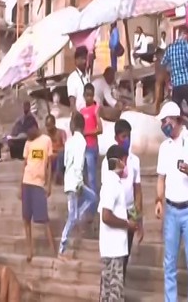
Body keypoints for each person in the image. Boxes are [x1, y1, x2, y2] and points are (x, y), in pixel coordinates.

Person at [155, 101, 188, 301]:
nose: (164, 125)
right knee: (169, 262)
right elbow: (161, 177)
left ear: (176, 120)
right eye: (162, 122)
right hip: (171, 209)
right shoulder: (164, 147)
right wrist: (159, 201)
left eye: (166, 121)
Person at [101, 119, 143, 280]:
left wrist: (138, 218)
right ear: (116, 138)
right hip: (115, 212)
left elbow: (137, 189)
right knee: (114, 259)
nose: (127, 140)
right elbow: (108, 189)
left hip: (129, 210)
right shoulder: (109, 161)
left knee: (125, 255)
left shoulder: (135, 161)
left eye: (129, 136)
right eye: (124, 136)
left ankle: (119, 289)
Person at [99, 145, 139, 300]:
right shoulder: (112, 185)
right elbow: (106, 216)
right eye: (125, 161)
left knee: (107, 292)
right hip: (113, 249)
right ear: (119, 162)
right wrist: (127, 224)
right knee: (114, 292)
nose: (126, 165)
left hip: (112, 248)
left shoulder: (112, 183)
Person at [58, 113, 98, 259]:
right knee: (72, 216)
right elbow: (79, 164)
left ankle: (77, 217)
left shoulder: (69, 141)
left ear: (74, 125)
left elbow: (66, 163)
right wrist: (79, 181)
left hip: (69, 180)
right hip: (75, 181)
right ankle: (63, 243)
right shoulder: (81, 141)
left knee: (92, 198)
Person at [20, 116, 56, 261]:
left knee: (44, 219)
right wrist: (19, 186)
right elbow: (24, 164)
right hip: (26, 182)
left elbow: (49, 165)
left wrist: (49, 185)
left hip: (39, 184)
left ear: (35, 127)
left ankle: (53, 249)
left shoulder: (46, 140)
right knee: (26, 218)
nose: (28, 135)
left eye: (29, 131)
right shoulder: (28, 143)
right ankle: (29, 250)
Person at [161, 27, 188, 118]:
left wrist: (167, 78)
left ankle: (180, 124)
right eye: (187, 36)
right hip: (187, 81)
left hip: (176, 84)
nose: (187, 39)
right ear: (184, 34)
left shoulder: (170, 48)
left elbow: (163, 63)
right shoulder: (185, 45)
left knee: (176, 109)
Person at [80, 83, 102, 199]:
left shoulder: (96, 109)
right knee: (83, 176)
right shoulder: (82, 111)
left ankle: (94, 201)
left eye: (91, 95)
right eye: (87, 95)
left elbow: (100, 129)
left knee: (92, 177)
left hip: (92, 146)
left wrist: (86, 133)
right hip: (83, 147)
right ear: (84, 95)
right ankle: (87, 200)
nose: (89, 97)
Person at [45, 114, 67, 186]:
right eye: (47, 125)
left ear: (54, 124)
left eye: (50, 125)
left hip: (59, 155)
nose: (48, 128)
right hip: (49, 155)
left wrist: (55, 151)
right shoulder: (45, 134)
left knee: (61, 155)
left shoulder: (61, 133)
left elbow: (65, 146)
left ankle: (58, 177)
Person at [67, 46, 90, 112]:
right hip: (79, 117)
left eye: (86, 58)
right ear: (76, 60)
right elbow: (72, 103)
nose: (85, 61)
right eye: (82, 59)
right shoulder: (72, 78)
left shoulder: (87, 76)